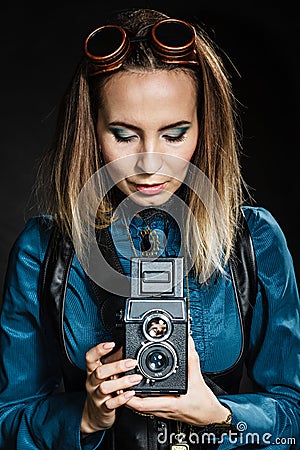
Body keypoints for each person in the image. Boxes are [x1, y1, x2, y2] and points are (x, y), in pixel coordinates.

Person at [0, 7, 299, 450]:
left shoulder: (254, 241)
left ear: (204, 128)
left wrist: (219, 414)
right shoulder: (44, 251)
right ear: (91, 129)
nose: (150, 163)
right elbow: (7, 420)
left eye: (175, 134)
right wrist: (85, 417)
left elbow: (294, 417)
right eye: (124, 135)